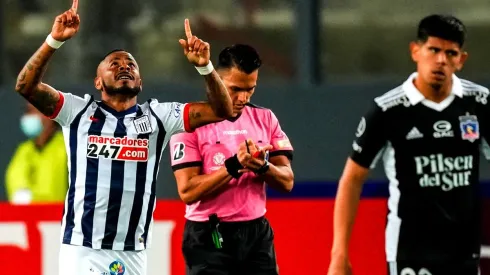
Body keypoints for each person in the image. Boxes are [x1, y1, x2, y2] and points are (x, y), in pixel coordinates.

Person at [13, 0, 233, 274]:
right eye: (113, 63)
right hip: (83, 248)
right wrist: (53, 41)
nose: (123, 66)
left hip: (133, 249)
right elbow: (25, 85)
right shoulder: (77, 112)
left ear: (140, 82)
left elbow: (224, 111)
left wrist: (205, 68)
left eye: (131, 63)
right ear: (97, 82)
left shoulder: (159, 117)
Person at [327, 14, 488, 275]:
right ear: (416, 51)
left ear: (461, 60)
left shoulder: (479, 103)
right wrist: (339, 254)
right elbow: (352, 178)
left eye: (450, 53)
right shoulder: (388, 111)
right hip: (409, 251)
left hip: (464, 252)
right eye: (433, 50)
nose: (441, 60)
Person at [169, 44, 294, 275]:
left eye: (250, 89)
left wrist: (263, 167)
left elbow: (287, 181)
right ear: (216, 80)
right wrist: (234, 166)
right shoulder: (189, 124)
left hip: (256, 234)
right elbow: (187, 191)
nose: (243, 98)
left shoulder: (265, 119)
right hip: (209, 236)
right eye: (235, 89)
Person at [5, 102, 67, 204]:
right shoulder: (24, 149)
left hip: (62, 216)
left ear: (50, 116)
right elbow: (15, 177)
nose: (28, 116)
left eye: (33, 111)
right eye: (28, 112)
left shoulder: (68, 147)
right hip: (30, 216)